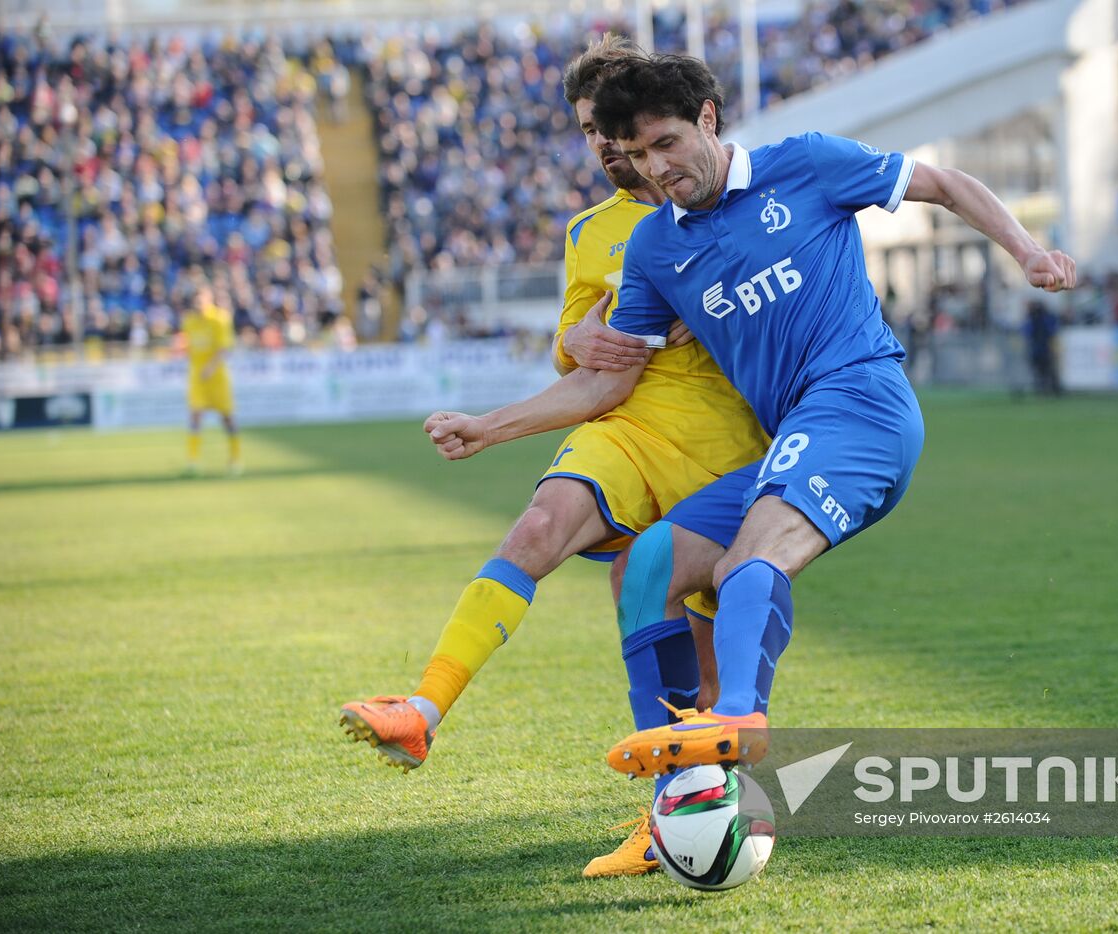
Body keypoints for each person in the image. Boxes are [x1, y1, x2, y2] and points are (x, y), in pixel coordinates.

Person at [423, 53, 1075, 779]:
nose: (655, 168)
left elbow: (947, 183)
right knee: (647, 569)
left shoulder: (808, 164)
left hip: (862, 405)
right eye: (637, 155)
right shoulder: (654, 246)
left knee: (748, 558)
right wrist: (489, 427)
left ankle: (735, 717)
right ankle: (681, 795)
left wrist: (1028, 251)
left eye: (665, 143)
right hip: (795, 436)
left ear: (707, 118)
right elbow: (603, 388)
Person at [337, 37, 770, 879]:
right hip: (625, 429)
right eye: (588, 130)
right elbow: (576, 354)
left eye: (616, 124)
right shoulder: (591, 231)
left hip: (728, 447)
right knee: (538, 525)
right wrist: (569, 337)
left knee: (701, 666)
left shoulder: (732, 202)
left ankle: (676, 820)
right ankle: (424, 707)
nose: (605, 143)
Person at [181, 283, 241, 475]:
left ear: (209, 299)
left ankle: (235, 460)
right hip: (198, 377)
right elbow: (189, 347)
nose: (198, 303)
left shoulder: (220, 319)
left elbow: (224, 348)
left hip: (217, 377)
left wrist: (210, 367)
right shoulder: (189, 321)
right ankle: (193, 462)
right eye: (195, 300)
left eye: (202, 299)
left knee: (227, 418)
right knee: (195, 415)